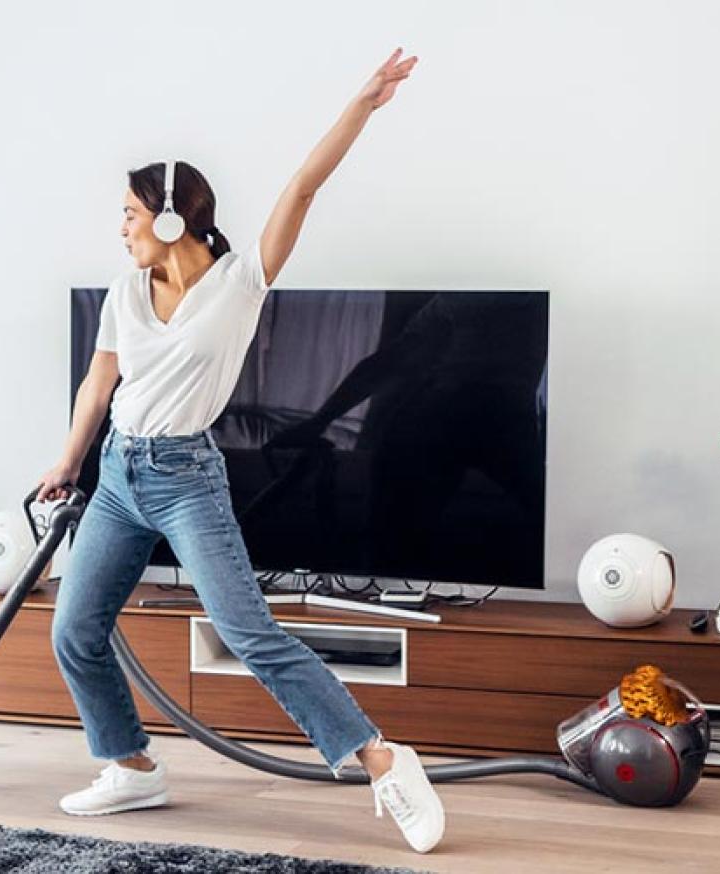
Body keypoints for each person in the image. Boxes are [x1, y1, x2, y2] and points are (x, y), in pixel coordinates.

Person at [36, 48, 444, 854]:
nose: (118, 229)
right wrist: (66, 460)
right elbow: (98, 384)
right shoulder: (124, 290)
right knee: (75, 630)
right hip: (119, 473)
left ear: (165, 218)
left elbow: (301, 187)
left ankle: (385, 759)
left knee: (249, 632)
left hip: (187, 478)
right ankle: (131, 767)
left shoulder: (241, 281)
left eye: (126, 213)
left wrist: (361, 103)